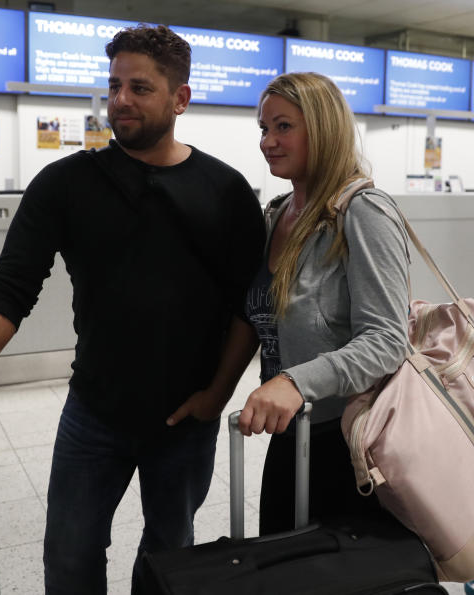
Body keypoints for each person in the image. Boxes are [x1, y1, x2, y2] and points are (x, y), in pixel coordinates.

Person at [0, 25, 265, 594]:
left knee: (168, 556)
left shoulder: (225, 192)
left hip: (185, 421)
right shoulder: (66, 184)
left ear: (180, 99)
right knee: (70, 555)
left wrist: (218, 394)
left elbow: (247, 307)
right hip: (94, 412)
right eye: (114, 85)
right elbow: (10, 287)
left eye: (140, 88)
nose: (120, 100)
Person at [177, 72, 410, 534]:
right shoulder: (279, 213)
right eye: (264, 129)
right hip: (292, 432)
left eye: (284, 127)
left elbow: (387, 341)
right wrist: (219, 390)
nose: (268, 141)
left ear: (322, 129)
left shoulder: (364, 212)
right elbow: (253, 316)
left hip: (350, 442)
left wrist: (295, 382)